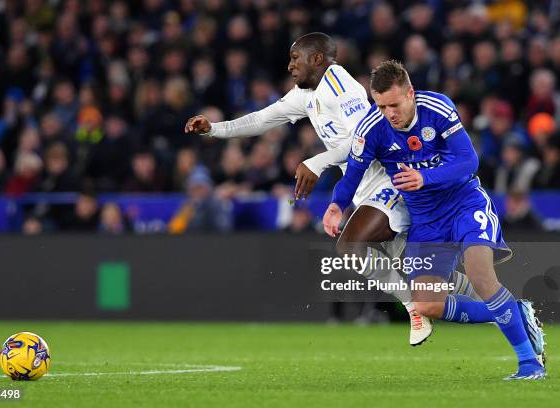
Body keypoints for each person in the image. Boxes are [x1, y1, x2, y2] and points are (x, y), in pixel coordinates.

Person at [185, 32, 472, 346]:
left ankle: (415, 309)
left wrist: (318, 161)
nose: (291, 65)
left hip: (390, 178)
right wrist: (215, 129)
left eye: (297, 58)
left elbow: (362, 139)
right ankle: (494, 301)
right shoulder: (304, 94)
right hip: (362, 189)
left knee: (351, 246)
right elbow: (263, 119)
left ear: (317, 59)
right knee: (409, 263)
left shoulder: (341, 86)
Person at [323, 60, 545, 379]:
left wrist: (425, 178)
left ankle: (529, 364)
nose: (389, 113)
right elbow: (354, 174)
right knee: (427, 305)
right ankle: (515, 311)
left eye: (395, 105)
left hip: (464, 203)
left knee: (481, 276)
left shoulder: (437, 107)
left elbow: (469, 160)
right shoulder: (371, 128)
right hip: (426, 221)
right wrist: (336, 205)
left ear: (410, 93)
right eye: (381, 105)